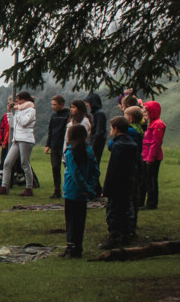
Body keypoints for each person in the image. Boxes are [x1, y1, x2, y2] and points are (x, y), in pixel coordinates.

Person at [100, 117, 139, 249]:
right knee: (126, 209)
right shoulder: (132, 144)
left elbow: (113, 169)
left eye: (111, 128)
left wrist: (106, 189)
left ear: (116, 129)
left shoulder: (118, 146)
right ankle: (126, 235)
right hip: (128, 182)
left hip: (116, 185)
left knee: (113, 211)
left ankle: (114, 237)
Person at [61, 125, 99, 259]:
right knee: (80, 221)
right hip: (83, 193)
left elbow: (74, 173)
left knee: (71, 220)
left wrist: (84, 188)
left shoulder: (70, 152)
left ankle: (71, 248)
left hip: (72, 190)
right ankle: (78, 248)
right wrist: (90, 188)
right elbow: (96, 170)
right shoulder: (89, 150)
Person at [0, 92, 36, 196]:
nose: (17, 103)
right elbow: (12, 124)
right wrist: (10, 113)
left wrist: (17, 112)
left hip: (26, 139)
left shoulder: (31, 110)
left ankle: (29, 187)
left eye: (19, 100)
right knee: (7, 163)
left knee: (25, 164)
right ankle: (4, 186)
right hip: (16, 139)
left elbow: (23, 122)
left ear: (24, 100)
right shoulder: (18, 111)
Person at [140, 101, 166, 210]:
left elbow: (156, 143)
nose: (144, 113)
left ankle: (152, 203)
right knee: (147, 179)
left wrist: (150, 158)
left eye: (146, 111)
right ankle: (146, 201)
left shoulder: (158, 124)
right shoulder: (151, 123)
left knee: (151, 180)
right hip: (147, 155)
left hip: (152, 157)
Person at [44, 95, 70, 199]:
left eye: (55, 104)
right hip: (54, 145)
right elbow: (50, 131)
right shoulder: (53, 116)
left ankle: (68, 189)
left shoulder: (68, 115)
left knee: (67, 167)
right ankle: (57, 190)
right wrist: (48, 144)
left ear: (61, 104)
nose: (53, 107)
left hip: (64, 145)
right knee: (55, 167)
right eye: (52, 104)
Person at [86, 93, 108, 193]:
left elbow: (99, 131)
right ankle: (96, 187)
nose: (87, 105)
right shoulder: (96, 113)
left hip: (97, 143)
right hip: (95, 142)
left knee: (93, 165)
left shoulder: (99, 114)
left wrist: (93, 144)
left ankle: (96, 188)